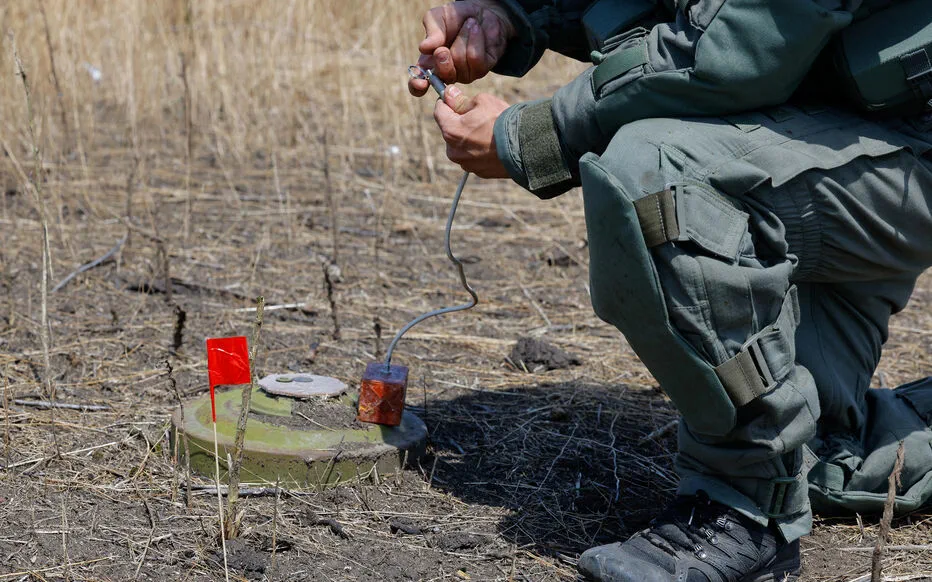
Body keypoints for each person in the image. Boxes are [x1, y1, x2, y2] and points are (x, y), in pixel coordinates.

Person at [409, 1, 932, 580]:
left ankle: (740, 511)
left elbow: (733, 50)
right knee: (820, 451)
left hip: (902, 138)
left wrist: (534, 135)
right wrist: (511, 15)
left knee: (656, 176)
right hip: (828, 115)